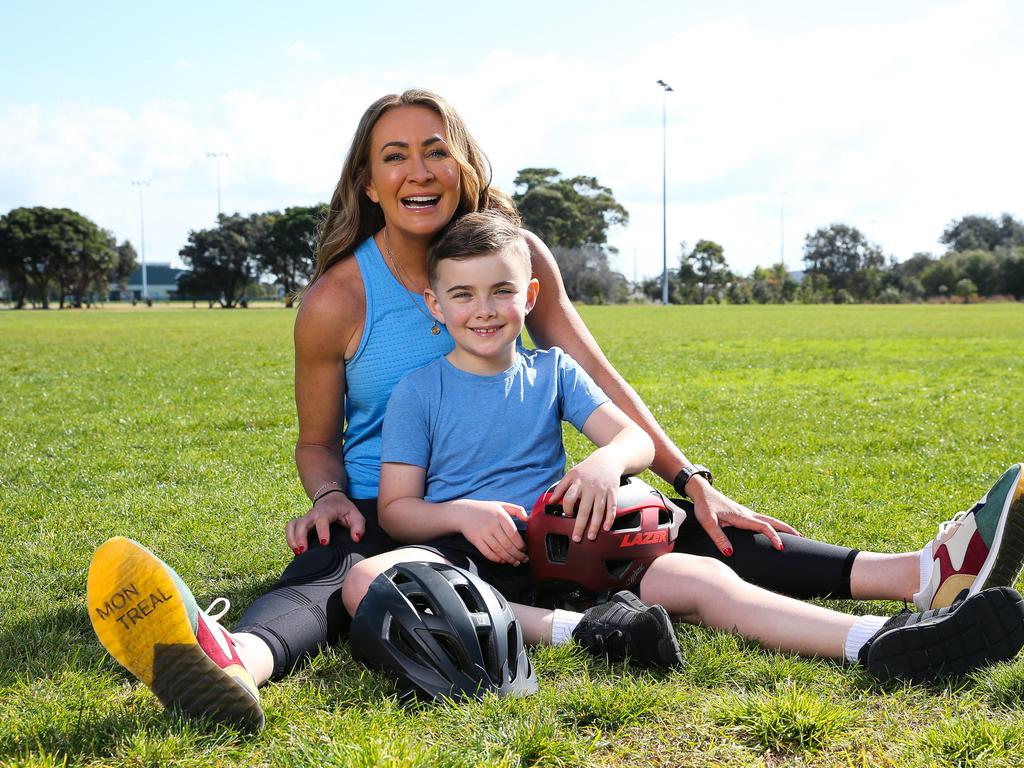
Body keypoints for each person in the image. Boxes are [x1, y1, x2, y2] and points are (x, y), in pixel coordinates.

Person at [87, 88, 1024, 729]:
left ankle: (922, 578)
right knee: (341, 573)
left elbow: (595, 386)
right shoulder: (342, 297)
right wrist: (332, 494)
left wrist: (683, 476)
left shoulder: (515, 255)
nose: (418, 169)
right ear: (367, 182)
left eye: (434, 148)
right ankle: (230, 660)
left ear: (461, 164)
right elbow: (315, 441)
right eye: (393, 155)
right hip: (403, 510)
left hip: (545, 500)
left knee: (688, 532)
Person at [340, 210, 1024, 685]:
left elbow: (632, 435)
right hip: (480, 557)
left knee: (701, 581)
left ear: (531, 294)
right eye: (461, 294)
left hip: (581, 548)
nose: (482, 309)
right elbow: (398, 509)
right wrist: (461, 515)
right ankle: (585, 633)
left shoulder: (554, 371)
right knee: (395, 577)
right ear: (435, 305)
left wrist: (606, 462)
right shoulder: (419, 391)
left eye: (500, 291)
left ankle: (880, 641)